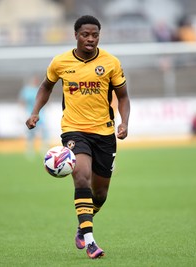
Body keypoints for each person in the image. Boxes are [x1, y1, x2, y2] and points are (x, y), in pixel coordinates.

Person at [25, 15, 130, 259]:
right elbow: (46, 87)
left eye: (95, 35)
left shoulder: (111, 63)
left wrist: (124, 123)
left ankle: (83, 225)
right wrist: (34, 112)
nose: (90, 39)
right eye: (85, 34)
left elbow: (123, 97)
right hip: (74, 130)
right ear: (76, 35)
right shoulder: (60, 62)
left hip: (104, 133)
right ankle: (92, 242)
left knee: (100, 194)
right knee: (81, 177)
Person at [19, 75, 49, 158]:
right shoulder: (26, 90)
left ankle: (44, 148)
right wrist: (22, 113)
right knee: (30, 133)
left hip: (40, 114)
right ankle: (30, 150)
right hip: (30, 113)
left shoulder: (39, 90)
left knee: (44, 131)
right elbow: (22, 101)